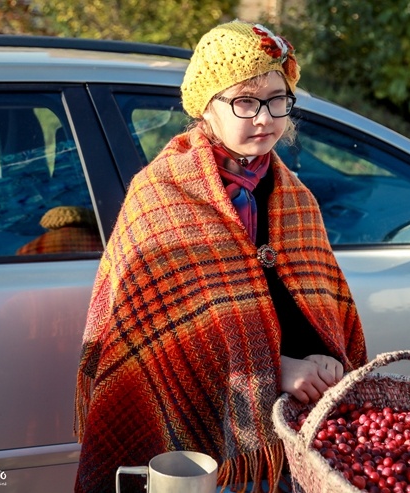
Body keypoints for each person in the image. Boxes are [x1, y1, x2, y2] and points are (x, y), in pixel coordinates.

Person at [74, 20, 368, 493]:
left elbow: (314, 310)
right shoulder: (162, 195)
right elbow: (169, 343)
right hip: (204, 453)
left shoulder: (295, 198)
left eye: (277, 99)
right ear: (206, 109)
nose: (265, 118)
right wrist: (279, 370)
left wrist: (326, 359)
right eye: (245, 102)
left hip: (295, 438)